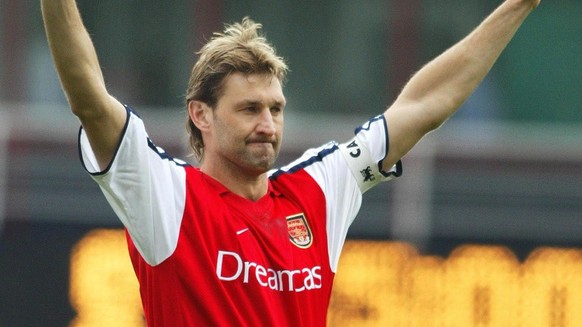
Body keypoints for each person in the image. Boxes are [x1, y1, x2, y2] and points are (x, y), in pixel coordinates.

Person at [41, 0, 540, 325]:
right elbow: (89, 98)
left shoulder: (316, 192)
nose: (268, 125)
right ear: (201, 116)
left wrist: (519, 5)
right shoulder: (166, 196)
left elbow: (422, 106)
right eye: (249, 109)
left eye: (275, 109)